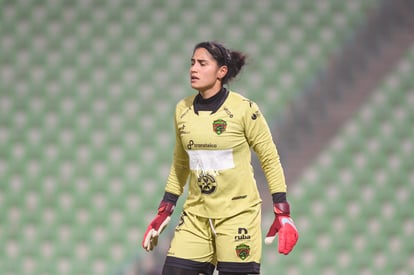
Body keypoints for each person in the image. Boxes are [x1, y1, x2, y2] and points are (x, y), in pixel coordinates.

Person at [142, 41, 299, 275]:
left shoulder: (244, 109)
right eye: (192, 63)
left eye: (202, 63)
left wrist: (282, 211)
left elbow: (270, 158)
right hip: (196, 217)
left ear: (221, 72)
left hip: (238, 216)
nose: (193, 69)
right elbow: (181, 162)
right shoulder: (182, 110)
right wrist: (166, 208)